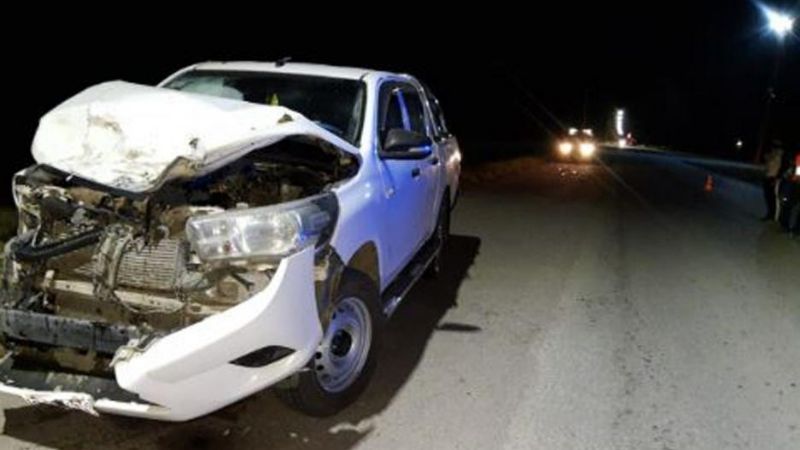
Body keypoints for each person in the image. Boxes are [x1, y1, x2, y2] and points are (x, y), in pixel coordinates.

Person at [761, 139, 784, 221]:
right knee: (767, 196)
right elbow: (767, 161)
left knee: (772, 197)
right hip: (767, 176)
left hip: (773, 177)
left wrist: (776, 178)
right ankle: (770, 214)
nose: (773, 147)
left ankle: (773, 215)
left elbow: (779, 168)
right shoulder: (772, 153)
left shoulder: (779, 154)